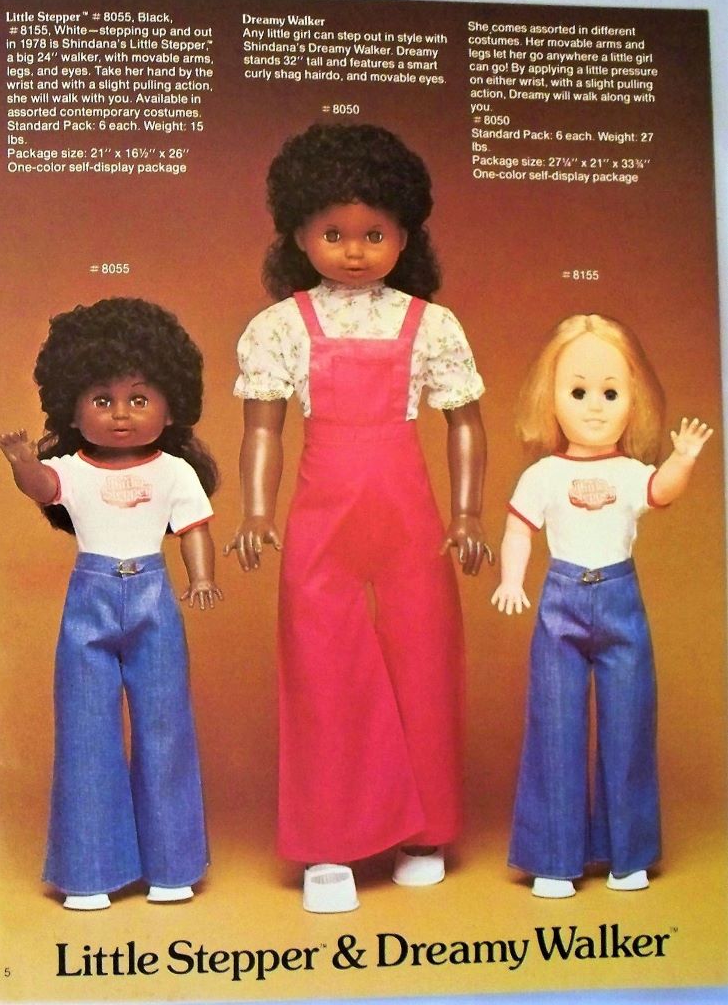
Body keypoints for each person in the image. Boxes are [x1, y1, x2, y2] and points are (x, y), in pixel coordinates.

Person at [225, 123, 492, 912]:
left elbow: (465, 423)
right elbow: (263, 430)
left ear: (404, 237)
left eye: (373, 234)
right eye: (333, 233)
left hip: (410, 523)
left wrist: (467, 511)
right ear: (297, 234)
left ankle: (423, 831)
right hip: (321, 525)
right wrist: (256, 509)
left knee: (424, 661)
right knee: (321, 672)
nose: (352, 251)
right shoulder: (281, 327)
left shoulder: (429, 324)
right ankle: (328, 844)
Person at [0, 297, 221, 910]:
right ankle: (88, 872)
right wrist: (23, 464)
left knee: (165, 728)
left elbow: (193, 530)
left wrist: (201, 578)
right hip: (89, 602)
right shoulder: (71, 468)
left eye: (139, 398)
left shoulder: (174, 471)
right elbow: (44, 488)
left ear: (171, 405)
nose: (121, 414)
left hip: (153, 599)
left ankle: (172, 866)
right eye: (102, 400)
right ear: (72, 408)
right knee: (85, 730)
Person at [491, 313, 712, 898]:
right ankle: (554, 858)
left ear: (633, 402)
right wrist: (512, 580)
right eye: (579, 391)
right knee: (555, 727)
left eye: (611, 394)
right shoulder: (543, 474)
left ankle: (627, 854)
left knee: (629, 726)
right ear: (550, 399)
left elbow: (660, 492)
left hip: (621, 603)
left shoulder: (631, 472)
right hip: (560, 603)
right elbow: (518, 530)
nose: (595, 406)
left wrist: (684, 459)